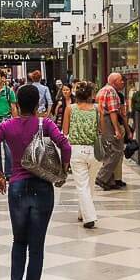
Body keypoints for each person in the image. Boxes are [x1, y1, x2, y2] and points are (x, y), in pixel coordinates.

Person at [0, 84, 71, 280]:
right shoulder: (45, 124)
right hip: (42, 188)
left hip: (17, 187)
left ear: (17, 104)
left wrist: (0, 175)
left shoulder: (6, 126)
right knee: (37, 246)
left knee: (19, 241)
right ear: (37, 104)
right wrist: (63, 168)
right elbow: (65, 145)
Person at [62, 80, 99, 228]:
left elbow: (65, 131)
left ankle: (89, 217)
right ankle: (82, 212)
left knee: (82, 185)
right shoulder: (97, 109)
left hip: (76, 150)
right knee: (90, 183)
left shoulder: (70, 109)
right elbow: (101, 129)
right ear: (90, 94)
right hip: (95, 150)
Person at [95, 72, 126, 191]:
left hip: (102, 121)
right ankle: (102, 177)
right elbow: (113, 111)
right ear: (114, 82)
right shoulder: (111, 91)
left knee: (108, 151)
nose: (123, 82)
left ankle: (109, 181)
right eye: (120, 80)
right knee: (116, 150)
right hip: (108, 122)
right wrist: (117, 129)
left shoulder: (102, 90)